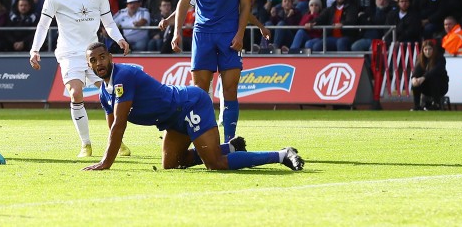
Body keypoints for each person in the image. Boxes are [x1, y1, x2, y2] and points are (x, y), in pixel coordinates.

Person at [82, 42, 302, 171]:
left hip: (189, 104)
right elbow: (114, 128)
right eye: (93, 60)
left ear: (111, 57)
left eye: (102, 57)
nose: (99, 63)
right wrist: (111, 152)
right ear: (89, 65)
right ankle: (231, 147)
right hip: (171, 119)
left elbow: (119, 125)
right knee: (171, 164)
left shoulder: (123, 77)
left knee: (215, 164)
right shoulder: (104, 92)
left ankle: (281, 155)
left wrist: (105, 163)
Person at [29, 0, 132, 158]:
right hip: (69, 53)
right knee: (76, 94)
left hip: (94, 54)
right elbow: (43, 24)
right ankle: (86, 144)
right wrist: (35, 50)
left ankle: (117, 141)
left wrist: (120, 39)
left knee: (110, 96)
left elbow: (109, 22)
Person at [159, 0, 255, 143]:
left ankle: (230, 140)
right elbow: (184, 3)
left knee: (230, 89)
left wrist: (241, 34)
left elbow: (246, 6)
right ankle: (204, 139)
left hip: (230, 35)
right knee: (200, 93)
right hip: (202, 35)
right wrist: (176, 32)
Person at [410, 40, 449, 110]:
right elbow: (416, 72)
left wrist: (423, 78)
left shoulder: (440, 58)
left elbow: (435, 71)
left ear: (433, 49)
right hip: (427, 87)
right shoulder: (420, 59)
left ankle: (436, 104)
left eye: (430, 49)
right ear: (423, 50)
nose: (428, 52)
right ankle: (417, 106)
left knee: (433, 78)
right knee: (416, 82)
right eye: (425, 49)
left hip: (440, 87)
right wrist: (414, 79)